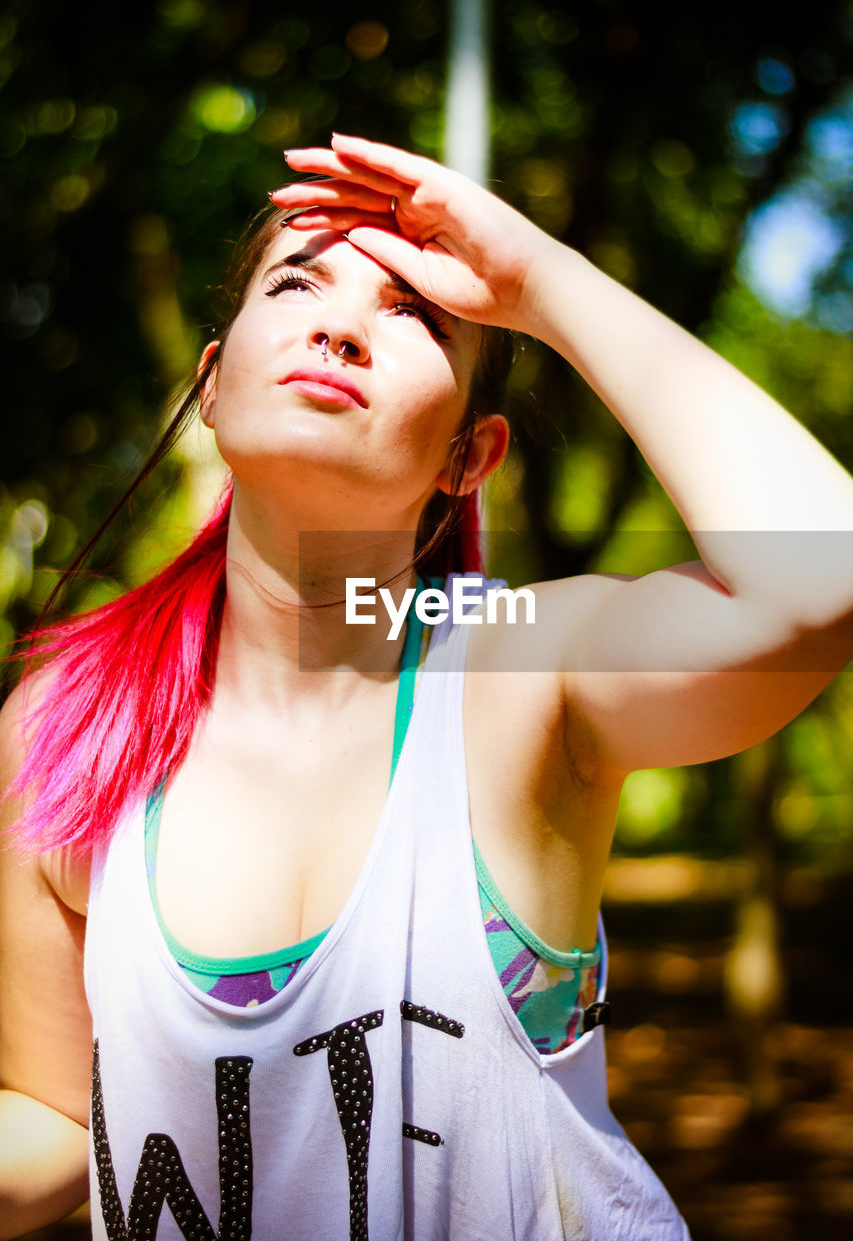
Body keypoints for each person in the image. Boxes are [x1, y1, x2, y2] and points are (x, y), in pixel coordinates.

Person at [0, 133, 851, 1241]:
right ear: (211, 384)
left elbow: (821, 577)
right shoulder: (70, 722)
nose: (340, 323)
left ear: (468, 458)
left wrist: (540, 283)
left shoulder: (510, 664)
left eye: (414, 312)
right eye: (298, 280)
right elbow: (61, 1112)